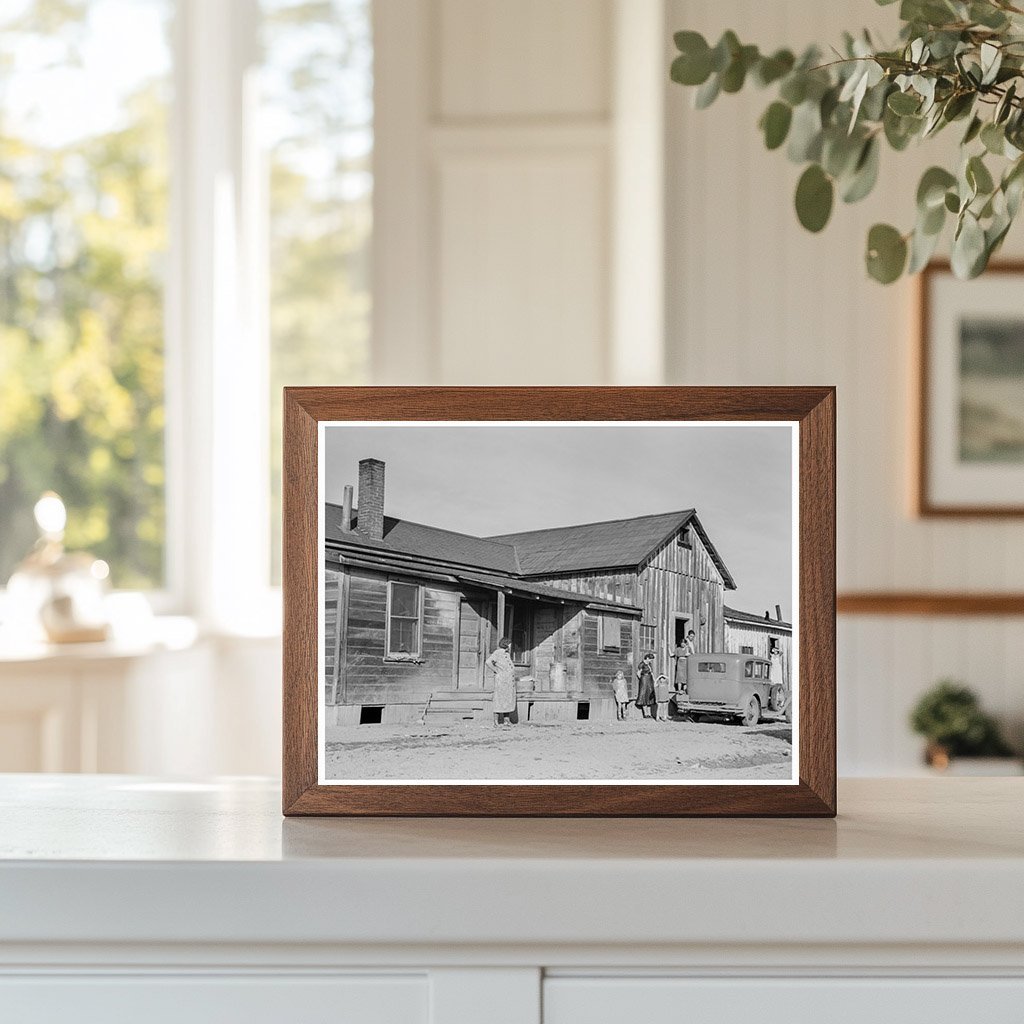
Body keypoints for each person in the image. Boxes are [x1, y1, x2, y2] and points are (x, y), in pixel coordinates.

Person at [486, 637, 517, 728]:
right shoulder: (498, 653)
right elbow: (488, 662)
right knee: (499, 699)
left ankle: (506, 721)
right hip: (501, 681)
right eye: (509, 643)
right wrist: (496, 670)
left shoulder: (507, 654)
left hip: (509, 681)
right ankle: (496, 722)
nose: (511, 645)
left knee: (507, 700)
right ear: (506, 644)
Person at [635, 652, 657, 719]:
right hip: (644, 679)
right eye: (650, 659)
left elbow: (652, 673)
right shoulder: (642, 664)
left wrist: (654, 680)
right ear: (647, 658)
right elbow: (638, 673)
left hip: (649, 679)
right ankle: (645, 713)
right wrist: (642, 679)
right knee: (644, 694)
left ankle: (649, 713)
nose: (651, 661)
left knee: (649, 694)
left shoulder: (649, 664)